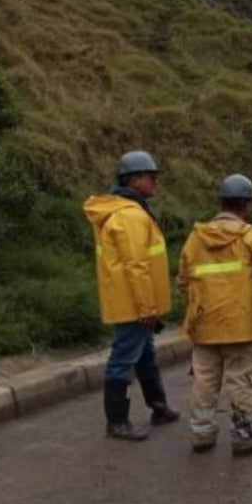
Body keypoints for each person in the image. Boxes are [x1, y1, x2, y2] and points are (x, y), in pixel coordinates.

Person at [179, 174, 252, 455]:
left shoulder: (196, 238)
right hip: (243, 325)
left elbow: (183, 280)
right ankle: (244, 436)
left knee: (205, 379)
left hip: (204, 325)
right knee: (243, 379)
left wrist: (196, 308)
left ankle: (201, 434)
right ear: (247, 205)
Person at [83, 150, 180, 441]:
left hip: (130, 300)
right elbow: (136, 265)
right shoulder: (129, 216)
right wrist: (148, 307)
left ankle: (158, 406)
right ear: (134, 179)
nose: (155, 183)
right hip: (134, 303)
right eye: (151, 177)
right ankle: (117, 421)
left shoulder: (125, 211)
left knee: (145, 354)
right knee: (123, 359)